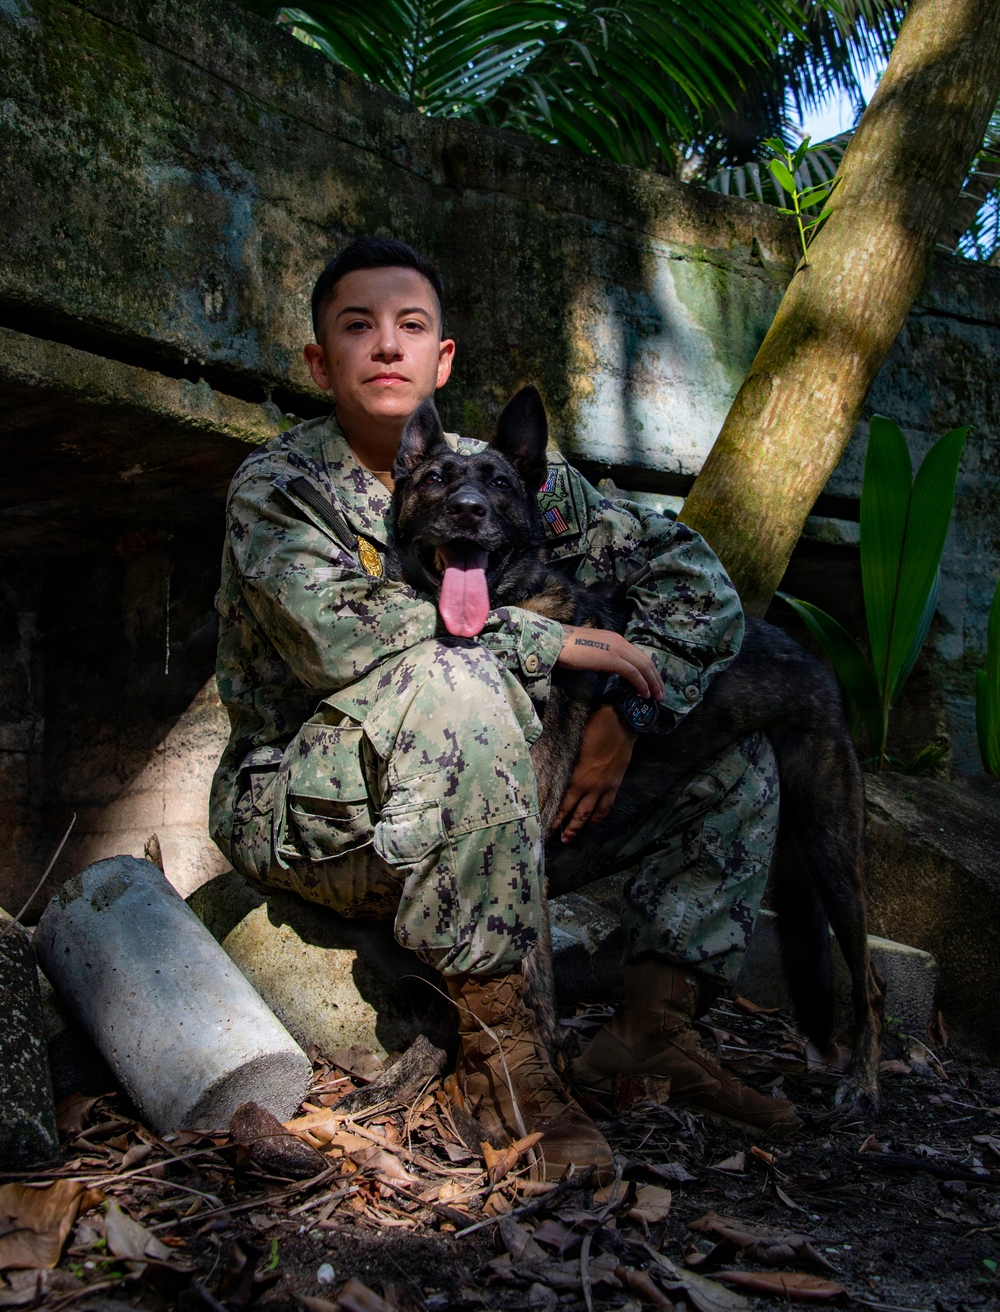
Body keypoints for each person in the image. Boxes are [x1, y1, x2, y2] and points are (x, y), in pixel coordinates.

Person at [210, 237, 798, 1182]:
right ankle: (501, 1063)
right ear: (321, 363)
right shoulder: (282, 489)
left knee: (731, 761)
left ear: (444, 360)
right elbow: (346, 637)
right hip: (318, 809)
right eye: (357, 328)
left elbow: (701, 591)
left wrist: (622, 717)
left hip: (504, 806)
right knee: (460, 678)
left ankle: (653, 1034)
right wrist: (552, 642)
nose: (387, 346)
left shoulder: (523, 483)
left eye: (412, 327)